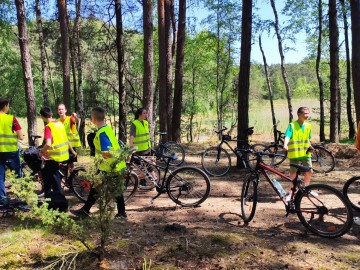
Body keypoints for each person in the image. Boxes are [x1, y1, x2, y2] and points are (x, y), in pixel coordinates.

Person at [70, 107, 127, 219]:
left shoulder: (102, 133)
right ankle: (86, 210)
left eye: (91, 116)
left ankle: (86, 211)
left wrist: (99, 154)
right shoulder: (107, 129)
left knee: (101, 189)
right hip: (112, 166)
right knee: (100, 189)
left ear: (94, 118)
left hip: (109, 167)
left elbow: (108, 153)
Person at [39, 106, 77, 197]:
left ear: (42, 116)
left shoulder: (48, 127)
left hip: (54, 157)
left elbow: (48, 144)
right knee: (53, 176)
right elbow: (67, 140)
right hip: (64, 154)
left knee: (50, 177)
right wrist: (72, 151)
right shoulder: (60, 124)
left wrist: (41, 152)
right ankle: (51, 196)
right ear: (51, 114)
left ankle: (56, 198)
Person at [283, 107, 313, 198]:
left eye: (308, 113)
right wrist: (285, 144)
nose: (307, 115)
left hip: (306, 154)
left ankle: (306, 189)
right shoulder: (292, 125)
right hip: (294, 153)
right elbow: (288, 135)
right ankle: (291, 192)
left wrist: (310, 146)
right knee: (293, 173)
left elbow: (307, 138)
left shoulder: (308, 126)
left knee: (309, 171)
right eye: (305, 113)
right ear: (299, 114)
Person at [0, 97, 23, 205]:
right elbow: (20, 136)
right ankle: (19, 197)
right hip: (11, 151)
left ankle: (2, 199)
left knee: (0, 176)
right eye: (8, 105)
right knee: (17, 174)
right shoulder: (11, 118)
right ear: (5, 106)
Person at [129, 108, 156, 187]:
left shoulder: (146, 122)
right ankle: (147, 181)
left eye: (146, 113)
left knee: (146, 166)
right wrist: (131, 146)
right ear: (139, 114)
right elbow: (132, 136)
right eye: (144, 113)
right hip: (139, 149)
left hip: (147, 148)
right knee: (142, 166)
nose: (146, 115)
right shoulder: (135, 123)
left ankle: (152, 180)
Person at [57, 104, 81, 169]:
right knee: (61, 162)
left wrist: (75, 117)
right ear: (57, 111)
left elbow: (77, 121)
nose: (61, 111)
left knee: (70, 163)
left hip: (71, 145)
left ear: (65, 110)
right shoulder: (57, 121)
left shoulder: (70, 118)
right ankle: (64, 177)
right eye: (59, 109)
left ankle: (72, 176)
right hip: (62, 145)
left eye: (62, 109)